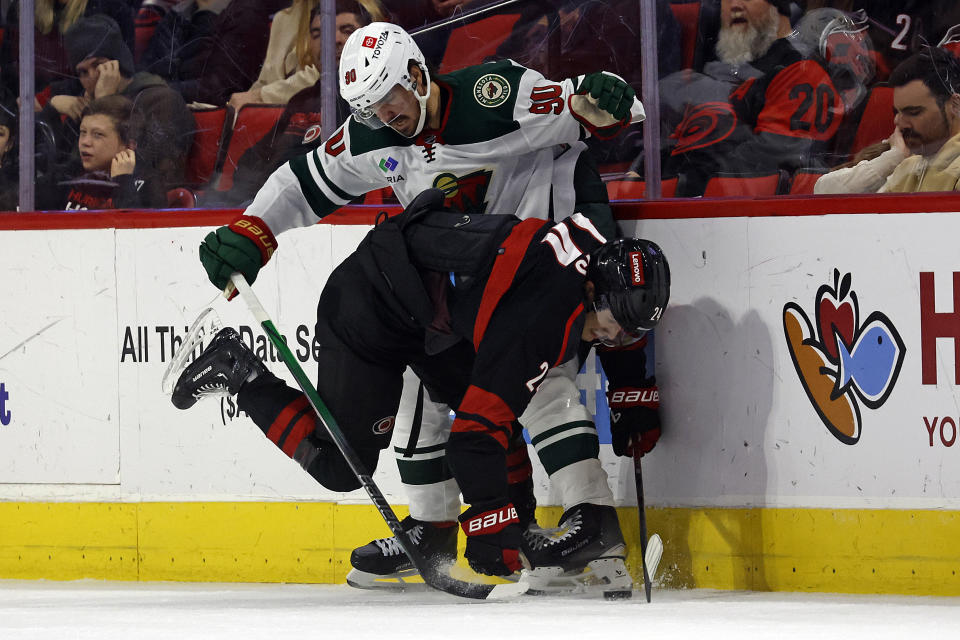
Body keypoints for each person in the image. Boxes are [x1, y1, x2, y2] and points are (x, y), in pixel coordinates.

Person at [168, 21, 657, 593]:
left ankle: (589, 524)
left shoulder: (492, 97)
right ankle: (437, 527)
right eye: (367, 107)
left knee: (540, 387)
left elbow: (589, 105)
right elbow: (303, 181)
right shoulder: (375, 134)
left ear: (418, 75)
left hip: (530, 271)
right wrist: (254, 229)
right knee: (422, 394)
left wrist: (604, 99)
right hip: (442, 290)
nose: (382, 116)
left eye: (388, 98)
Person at [171, 188, 670, 591]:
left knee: (500, 413)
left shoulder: (596, 257)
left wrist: (633, 390)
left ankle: (515, 529)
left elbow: (495, 418)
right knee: (343, 468)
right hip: (368, 306)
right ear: (591, 293)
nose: (614, 339)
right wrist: (489, 527)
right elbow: (472, 437)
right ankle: (242, 373)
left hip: (431, 310)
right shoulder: (543, 319)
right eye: (614, 327)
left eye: (629, 335)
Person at [655, 0, 845, 196]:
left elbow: (769, 163)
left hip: (729, 210)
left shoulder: (800, 71)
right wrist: (642, 170)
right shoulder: (706, 73)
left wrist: (688, 185)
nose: (734, 4)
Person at [207, 2, 370, 206]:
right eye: (318, 34)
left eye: (347, 31)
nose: (332, 40)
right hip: (264, 203)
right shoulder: (303, 99)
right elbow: (252, 160)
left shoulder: (371, 101)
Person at [41, 14, 195, 204]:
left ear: (117, 62)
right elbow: (64, 175)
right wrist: (51, 111)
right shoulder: (86, 103)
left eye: (98, 65)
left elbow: (150, 174)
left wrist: (105, 101)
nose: (92, 76)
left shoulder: (161, 100)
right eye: (82, 72)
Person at [814, 47, 960, 193]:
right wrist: (893, 157)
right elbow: (823, 192)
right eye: (897, 112)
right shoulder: (910, 164)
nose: (898, 122)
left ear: (955, 105)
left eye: (914, 112)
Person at [227, 0, 385, 111]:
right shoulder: (284, 18)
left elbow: (329, 74)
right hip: (282, 116)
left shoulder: (363, 11)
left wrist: (261, 96)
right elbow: (267, 80)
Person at [38, 94, 162, 209]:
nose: (85, 142)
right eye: (83, 132)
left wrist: (123, 181)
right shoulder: (68, 175)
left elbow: (134, 229)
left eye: (98, 135)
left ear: (129, 145)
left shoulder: (148, 184)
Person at [0, 0, 135, 104]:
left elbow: (119, 71)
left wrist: (49, 98)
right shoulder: (23, 8)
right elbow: (9, 73)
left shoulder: (110, 7)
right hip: (26, 114)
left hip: (85, 107)